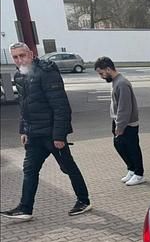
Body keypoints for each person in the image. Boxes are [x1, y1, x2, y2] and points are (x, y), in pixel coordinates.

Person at [1, 43, 91, 221]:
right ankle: (25, 208)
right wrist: (23, 130)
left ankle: (84, 200)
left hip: (51, 135)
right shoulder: (19, 75)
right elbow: (24, 107)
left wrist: (59, 135)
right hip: (34, 135)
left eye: (22, 55)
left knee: (68, 167)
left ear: (31, 54)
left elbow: (61, 106)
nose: (19, 60)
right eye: (15, 57)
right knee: (29, 170)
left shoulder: (46, 73)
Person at [94, 57, 145, 185]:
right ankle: (132, 169)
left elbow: (124, 107)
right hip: (118, 121)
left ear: (108, 69)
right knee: (120, 146)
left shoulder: (122, 83)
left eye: (101, 73)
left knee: (132, 148)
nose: (101, 76)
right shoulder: (116, 82)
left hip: (127, 123)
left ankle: (139, 174)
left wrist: (120, 126)